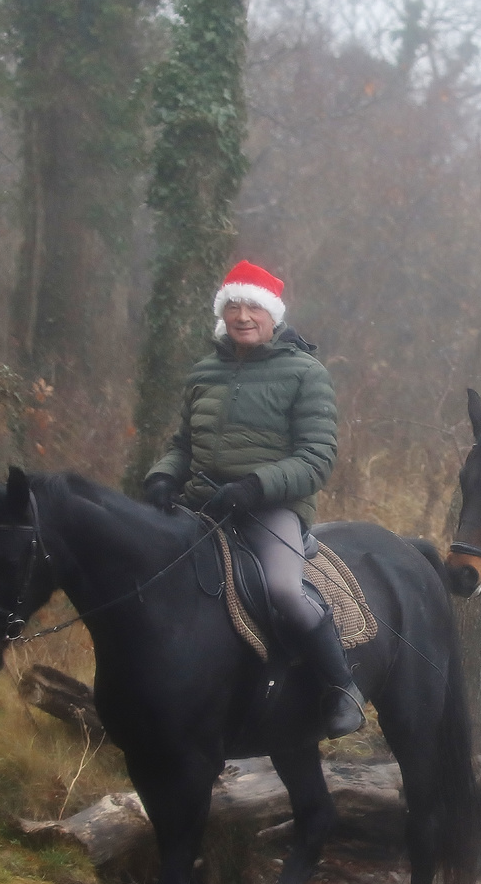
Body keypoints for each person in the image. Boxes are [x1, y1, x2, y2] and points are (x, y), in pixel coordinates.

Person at [141, 260, 364, 739]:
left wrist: (254, 487)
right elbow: (183, 444)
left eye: (254, 307)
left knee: (283, 590)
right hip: (203, 503)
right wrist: (161, 477)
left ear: (273, 314)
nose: (243, 315)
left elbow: (316, 457)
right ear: (223, 314)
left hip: (270, 507)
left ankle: (342, 686)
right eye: (234, 306)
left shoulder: (306, 373)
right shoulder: (204, 372)